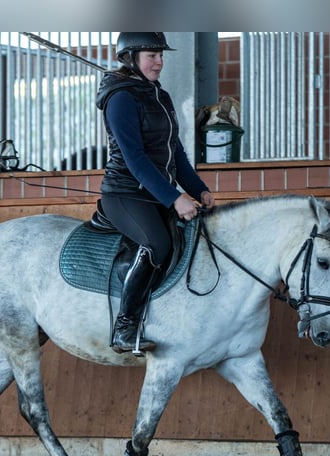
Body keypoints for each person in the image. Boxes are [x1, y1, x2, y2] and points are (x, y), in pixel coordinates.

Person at [96, 32, 216, 355]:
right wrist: (174, 198)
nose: (159, 62)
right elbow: (135, 160)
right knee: (157, 243)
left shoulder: (159, 96)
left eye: (161, 55)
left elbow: (175, 152)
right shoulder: (120, 99)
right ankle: (125, 325)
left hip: (155, 192)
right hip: (125, 194)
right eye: (152, 55)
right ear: (131, 58)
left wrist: (197, 189)